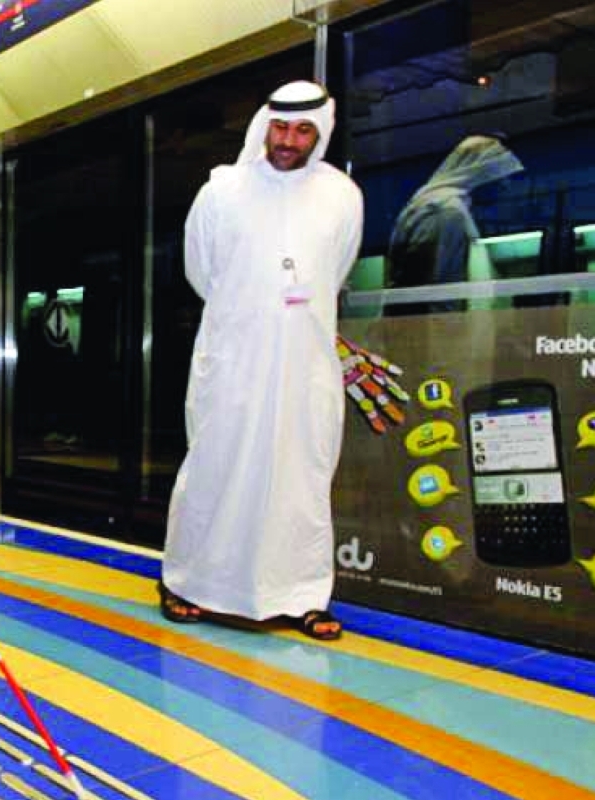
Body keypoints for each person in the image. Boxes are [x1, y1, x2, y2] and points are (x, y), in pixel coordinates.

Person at [159, 80, 363, 641]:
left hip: (306, 365)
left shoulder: (342, 195)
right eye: (280, 127)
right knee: (216, 468)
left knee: (302, 479)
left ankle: (301, 596)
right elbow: (200, 271)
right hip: (234, 359)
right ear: (263, 126)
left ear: (319, 134)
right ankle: (189, 583)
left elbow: (336, 269)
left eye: (302, 131)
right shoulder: (222, 191)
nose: (288, 141)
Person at [386, 135, 524, 311]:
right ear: (480, 174)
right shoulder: (446, 212)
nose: (506, 186)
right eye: (501, 177)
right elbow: (433, 289)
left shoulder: (443, 205)